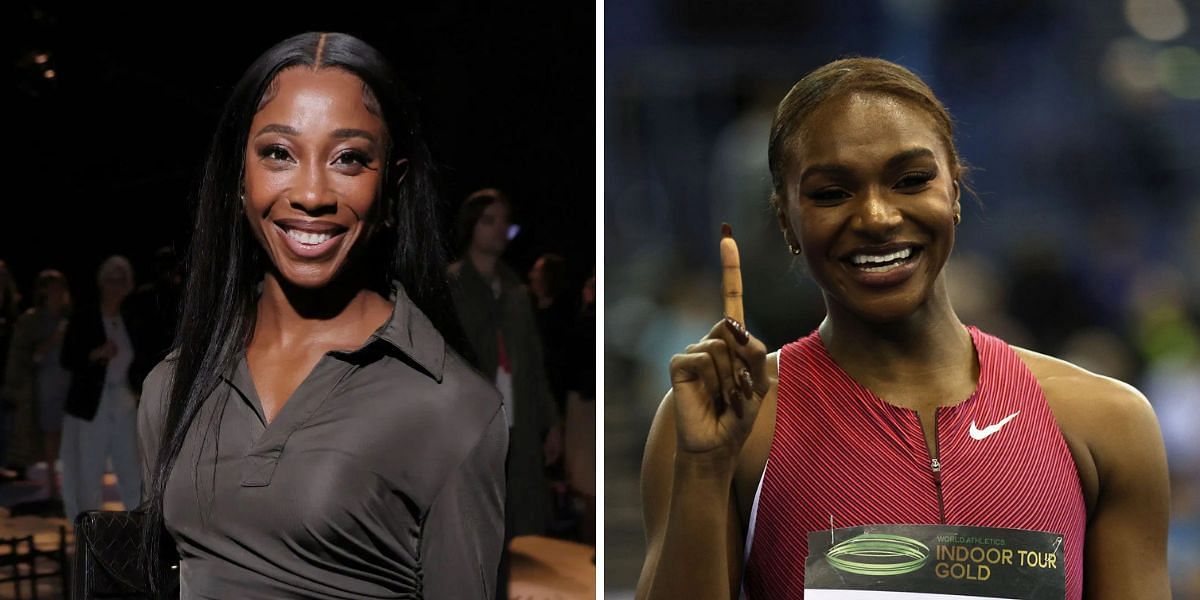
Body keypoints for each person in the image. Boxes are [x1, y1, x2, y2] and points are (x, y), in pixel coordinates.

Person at [638, 58, 1170, 599]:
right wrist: (704, 470)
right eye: (831, 192)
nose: (876, 217)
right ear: (786, 221)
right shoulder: (725, 425)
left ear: (955, 192)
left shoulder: (1105, 424)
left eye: (911, 180)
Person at [136, 32, 506, 598]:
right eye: (279, 153)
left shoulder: (451, 407)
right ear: (240, 177)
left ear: (390, 187)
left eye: (349, 158)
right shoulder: (174, 386)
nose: (311, 193)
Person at [448, 188, 562, 597]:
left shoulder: (515, 291)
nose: (500, 230)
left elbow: (533, 362)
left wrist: (550, 423)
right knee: (476, 518)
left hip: (520, 417)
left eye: (504, 221)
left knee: (524, 516)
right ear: (471, 226)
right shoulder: (453, 286)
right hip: (472, 423)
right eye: (489, 220)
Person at [59, 255, 142, 521]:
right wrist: (95, 354)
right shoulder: (85, 316)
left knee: (131, 471)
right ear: (101, 283)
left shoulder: (132, 319)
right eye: (111, 280)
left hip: (124, 402)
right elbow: (67, 358)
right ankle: (86, 536)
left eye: (122, 280)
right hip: (91, 403)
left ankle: (137, 538)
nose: (116, 286)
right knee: (88, 472)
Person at [2, 270, 72, 512]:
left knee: (68, 437)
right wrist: (54, 337)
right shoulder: (33, 320)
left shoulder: (68, 317)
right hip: (45, 384)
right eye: (52, 288)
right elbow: (28, 356)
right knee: (51, 436)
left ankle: (65, 488)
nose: (57, 293)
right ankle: (53, 489)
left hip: (67, 383)